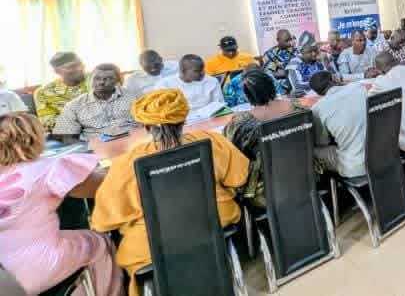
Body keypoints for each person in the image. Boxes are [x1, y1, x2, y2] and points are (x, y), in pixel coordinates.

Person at [91, 89, 249, 296]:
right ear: (183, 120)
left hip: (152, 245)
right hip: (215, 223)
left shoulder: (127, 163)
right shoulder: (211, 141)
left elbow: (104, 220)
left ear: (147, 127)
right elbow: (239, 177)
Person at [0, 112, 123, 295]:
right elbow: (103, 186)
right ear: (35, 137)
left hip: (6, 277)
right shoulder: (48, 169)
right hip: (39, 268)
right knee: (100, 242)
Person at [224, 70, 312, 208]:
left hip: (268, 187)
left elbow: (231, 150)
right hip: (306, 173)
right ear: (272, 86)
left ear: (247, 96)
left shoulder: (241, 123)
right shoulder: (298, 108)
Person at [51, 63, 137, 142]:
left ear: (117, 80)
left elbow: (144, 125)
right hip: (93, 147)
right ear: (90, 79)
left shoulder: (134, 98)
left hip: (133, 143)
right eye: (97, 78)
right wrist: (86, 148)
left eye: (108, 78)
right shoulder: (74, 105)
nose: (101, 82)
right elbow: (66, 136)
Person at [309, 71, 367, 180]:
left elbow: (323, 142)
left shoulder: (317, 109)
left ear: (317, 92)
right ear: (334, 79)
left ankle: (325, 186)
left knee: (312, 151)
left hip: (355, 166)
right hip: (382, 154)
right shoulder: (359, 87)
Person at [34, 51, 88, 130]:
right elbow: (48, 123)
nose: (80, 68)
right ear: (57, 71)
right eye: (72, 66)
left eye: (80, 63)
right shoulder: (43, 93)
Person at [156, 54, 225, 110]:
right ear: (183, 71)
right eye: (197, 71)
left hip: (210, 119)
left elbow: (220, 104)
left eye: (202, 69)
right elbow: (160, 109)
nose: (202, 73)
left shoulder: (212, 81)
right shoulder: (165, 85)